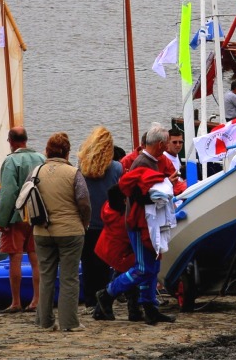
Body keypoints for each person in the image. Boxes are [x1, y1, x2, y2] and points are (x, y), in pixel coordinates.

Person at [96, 123, 176, 326]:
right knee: (142, 268)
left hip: (149, 221)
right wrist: (161, 195)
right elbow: (135, 194)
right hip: (139, 223)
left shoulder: (152, 160)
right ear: (159, 145)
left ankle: (150, 307)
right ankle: (107, 294)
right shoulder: (143, 162)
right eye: (167, 142)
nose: (168, 145)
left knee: (153, 267)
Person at [33, 132, 91, 333]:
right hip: (70, 231)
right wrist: (85, 222)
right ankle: (69, 322)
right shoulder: (73, 173)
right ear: (67, 152)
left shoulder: (36, 171)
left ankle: (45, 321)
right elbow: (83, 202)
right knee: (69, 277)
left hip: (41, 231)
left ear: (47, 151)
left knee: (46, 275)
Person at [0, 126, 45, 314]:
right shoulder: (41, 158)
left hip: (17, 217)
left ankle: (16, 301)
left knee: (15, 258)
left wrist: (3, 220)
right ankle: (37, 299)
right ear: (26, 139)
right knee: (36, 258)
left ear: (11, 141)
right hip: (37, 215)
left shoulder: (11, 161)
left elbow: (8, 193)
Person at [77, 126, 124, 311]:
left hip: (87, 223)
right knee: (105, 264)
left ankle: (89, 300)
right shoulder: (116, 168)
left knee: (88, 264)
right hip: (108, 223)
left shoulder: (81, 168)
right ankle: (104, 299)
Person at [94, 186, 139, 321]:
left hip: (108, 247)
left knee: (123, 275)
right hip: (120, 252)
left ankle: (101, 310)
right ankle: (134, 309)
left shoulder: (110, 207)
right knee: (129, 276)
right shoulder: (125, 219)